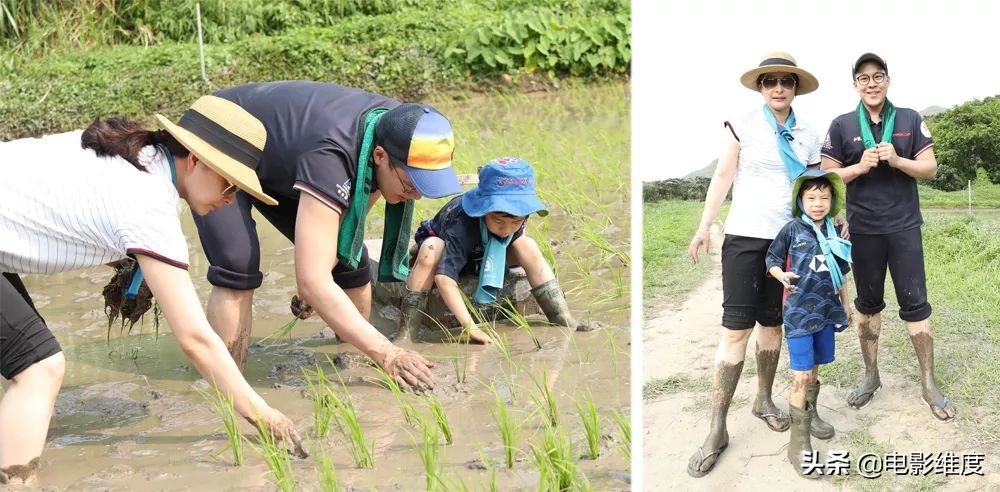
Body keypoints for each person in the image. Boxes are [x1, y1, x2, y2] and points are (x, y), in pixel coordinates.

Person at [0, 96, 305, 485]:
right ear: (194, 160)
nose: (230, 200)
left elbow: (66, 211)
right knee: (39, 369)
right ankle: (17, 482)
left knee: (25, 368)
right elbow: (195, 339)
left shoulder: (136, 155)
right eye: (230, 185)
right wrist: (264, 415)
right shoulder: (148, 204)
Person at [194, 81, 464, 391]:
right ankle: (227, 388)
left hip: (283, 156)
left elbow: (347, 226)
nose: (414, 195)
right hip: (221, 136)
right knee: (237, 262)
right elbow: (314, 279)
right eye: (410, 185)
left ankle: (353, 367)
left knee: (350, 261)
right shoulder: (334, 155)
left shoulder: (400, 128)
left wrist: (316, 279)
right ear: (379, 156)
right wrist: (388, 352)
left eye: (424, 188)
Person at [686, 52, 824, 477]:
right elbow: (723, 176)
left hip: (790, 242)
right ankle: (717, 428)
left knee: (773, 324)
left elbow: (815, 190)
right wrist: (704, 225)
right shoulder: (742, 125)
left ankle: (763, 399)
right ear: (760, 88)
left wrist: (831, 230)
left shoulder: (809, 133)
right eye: (770, 82)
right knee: (736, 329)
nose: (778, 87)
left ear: (796, 87)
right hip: (746, 237)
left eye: (786, 81)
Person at [820, 53, 955, 421]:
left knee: (916, 304)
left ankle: (928, 382)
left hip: (904, 227)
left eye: (877, 76)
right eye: (863, 78)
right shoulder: (842, 125)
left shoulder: (910, 119)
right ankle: (870, 375)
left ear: (888, 80)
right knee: (867, 306)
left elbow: (929, 168)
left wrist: (897, 161)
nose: (871, 83)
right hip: (863, 231)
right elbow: (827, 178)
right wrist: (859, 167)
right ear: (855, 86)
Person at [400, 157, 578, 344]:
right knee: (431, 249)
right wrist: (471, 328)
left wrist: (513, 229)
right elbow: (443, 279)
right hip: (450, 248)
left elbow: (517, 237)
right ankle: (406, 331)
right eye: (499, 221)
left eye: (516, 222)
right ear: (482, 210)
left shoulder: (516, 221)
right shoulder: (461, 224)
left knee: (528, 245)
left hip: (486, 252)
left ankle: (561, 317)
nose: (507, 229)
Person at [766, 170, 853, 478]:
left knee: (815, 368)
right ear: (800, 200)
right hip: (800, 315)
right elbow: (772, 259)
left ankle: (811, 415)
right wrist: (781, 276)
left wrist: (845, 304)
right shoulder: (792, 229)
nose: (818, 204)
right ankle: (798, 445)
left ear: (833, 201)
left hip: (826, 313)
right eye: (811, 198)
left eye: (824, 198)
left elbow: (840, 273)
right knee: (800, 376)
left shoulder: (835, 231)